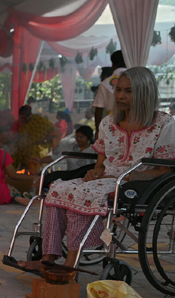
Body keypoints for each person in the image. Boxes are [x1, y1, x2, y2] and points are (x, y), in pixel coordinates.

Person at [12, 67, 175, 273]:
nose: (120, 96)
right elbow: (100, 164)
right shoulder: (109, 123)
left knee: (84, 194)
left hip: (138, 184)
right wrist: (95, 172)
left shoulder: (164, 124)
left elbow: (166, 170)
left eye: (128, 91)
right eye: (118, 90)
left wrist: (137, 175)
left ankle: (70, 264)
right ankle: (48, 258)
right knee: (57, 188)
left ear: (144, 93)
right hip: (106, 180)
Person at [39, 125, 97, 190]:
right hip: (70, 175)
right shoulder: (70, 148)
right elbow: (56, 158)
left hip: (85, 177)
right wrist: (39, 160)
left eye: (81, 137)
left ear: (88, 138)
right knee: (48, 178)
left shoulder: (94, 150)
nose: (78, 139)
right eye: (77, 136)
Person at [12, 105, 60, 173]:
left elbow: (54, 133)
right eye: (21, 118)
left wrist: (43, 140)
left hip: (41, 147)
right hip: (23, 146)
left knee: (32, 153)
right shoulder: (19, 122)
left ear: (30, 115)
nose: (23, 120)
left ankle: (34, 174)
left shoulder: (40, 121)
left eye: (25, 118)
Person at [93, 51, 126, 134]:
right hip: (134, 123)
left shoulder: (104, 84)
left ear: (113, 64)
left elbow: (98, 109)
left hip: (112, 125)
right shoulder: (136, 80)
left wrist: (98, 131)